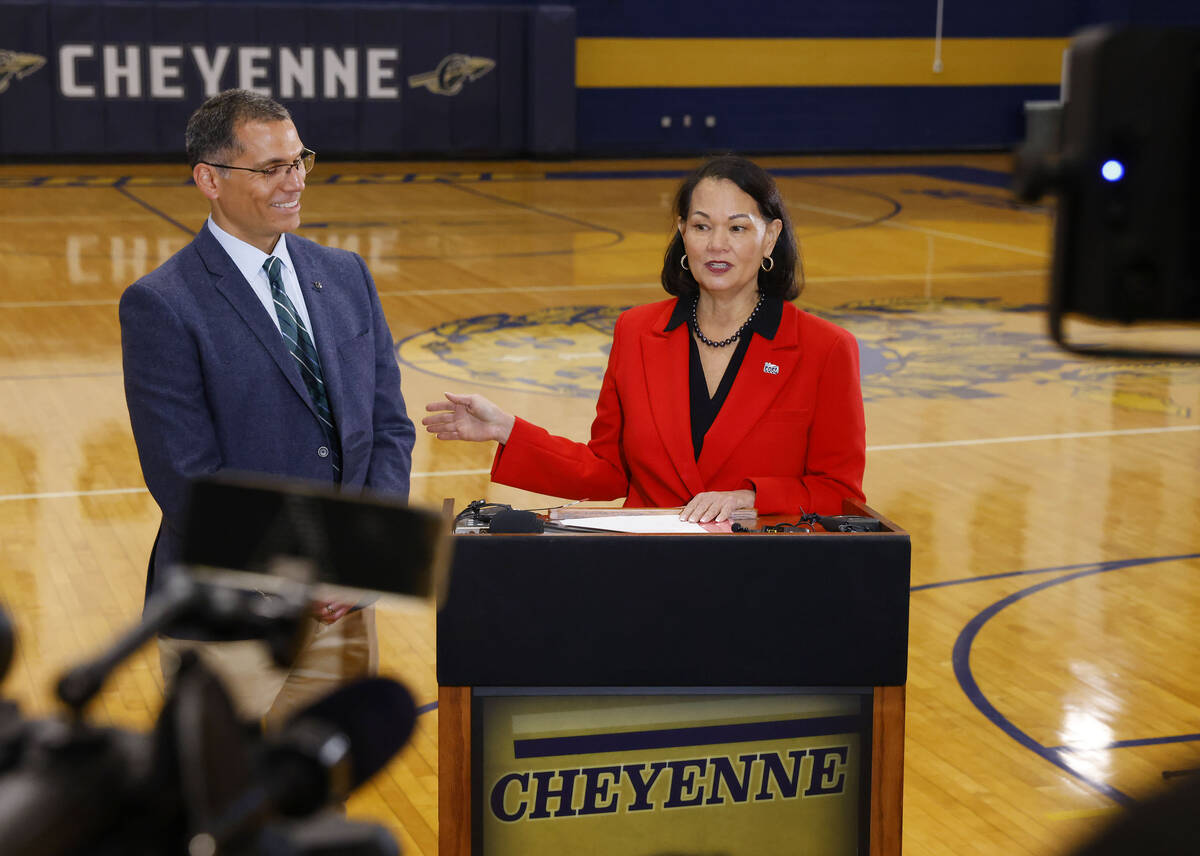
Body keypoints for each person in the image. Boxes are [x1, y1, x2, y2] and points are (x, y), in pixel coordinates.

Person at [120, 89, 415, 730]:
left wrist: (365, 557)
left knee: (323, 806)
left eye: (300, 159)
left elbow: (388, 426)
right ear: (210, 179)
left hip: (342, 608)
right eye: (271, 168)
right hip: (229, 613)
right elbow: (185, 476)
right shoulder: (162, 304)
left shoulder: (345, 275)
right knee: (225, 817)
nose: (296, 181)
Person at [423, 155, 865, 523]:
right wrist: (507, 430)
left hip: (761, 581)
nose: (716, 244)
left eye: (737, 228)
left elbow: (839, 493)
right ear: (682, 233)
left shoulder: (825, 348)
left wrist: (751, 498)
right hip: (647, 574)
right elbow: (607, 472)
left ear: (770, 237)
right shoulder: (636, 332)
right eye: (701, 226)